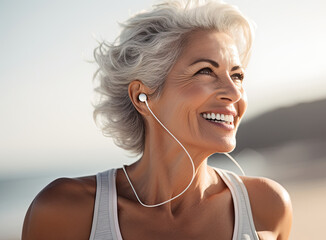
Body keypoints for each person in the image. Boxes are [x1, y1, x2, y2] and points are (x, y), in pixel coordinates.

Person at [22, 0, 292, 239]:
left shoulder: (267, 206)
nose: (234, 93)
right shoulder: (64, 211)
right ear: (142, 96)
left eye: (237, 75)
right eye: (206, 71)